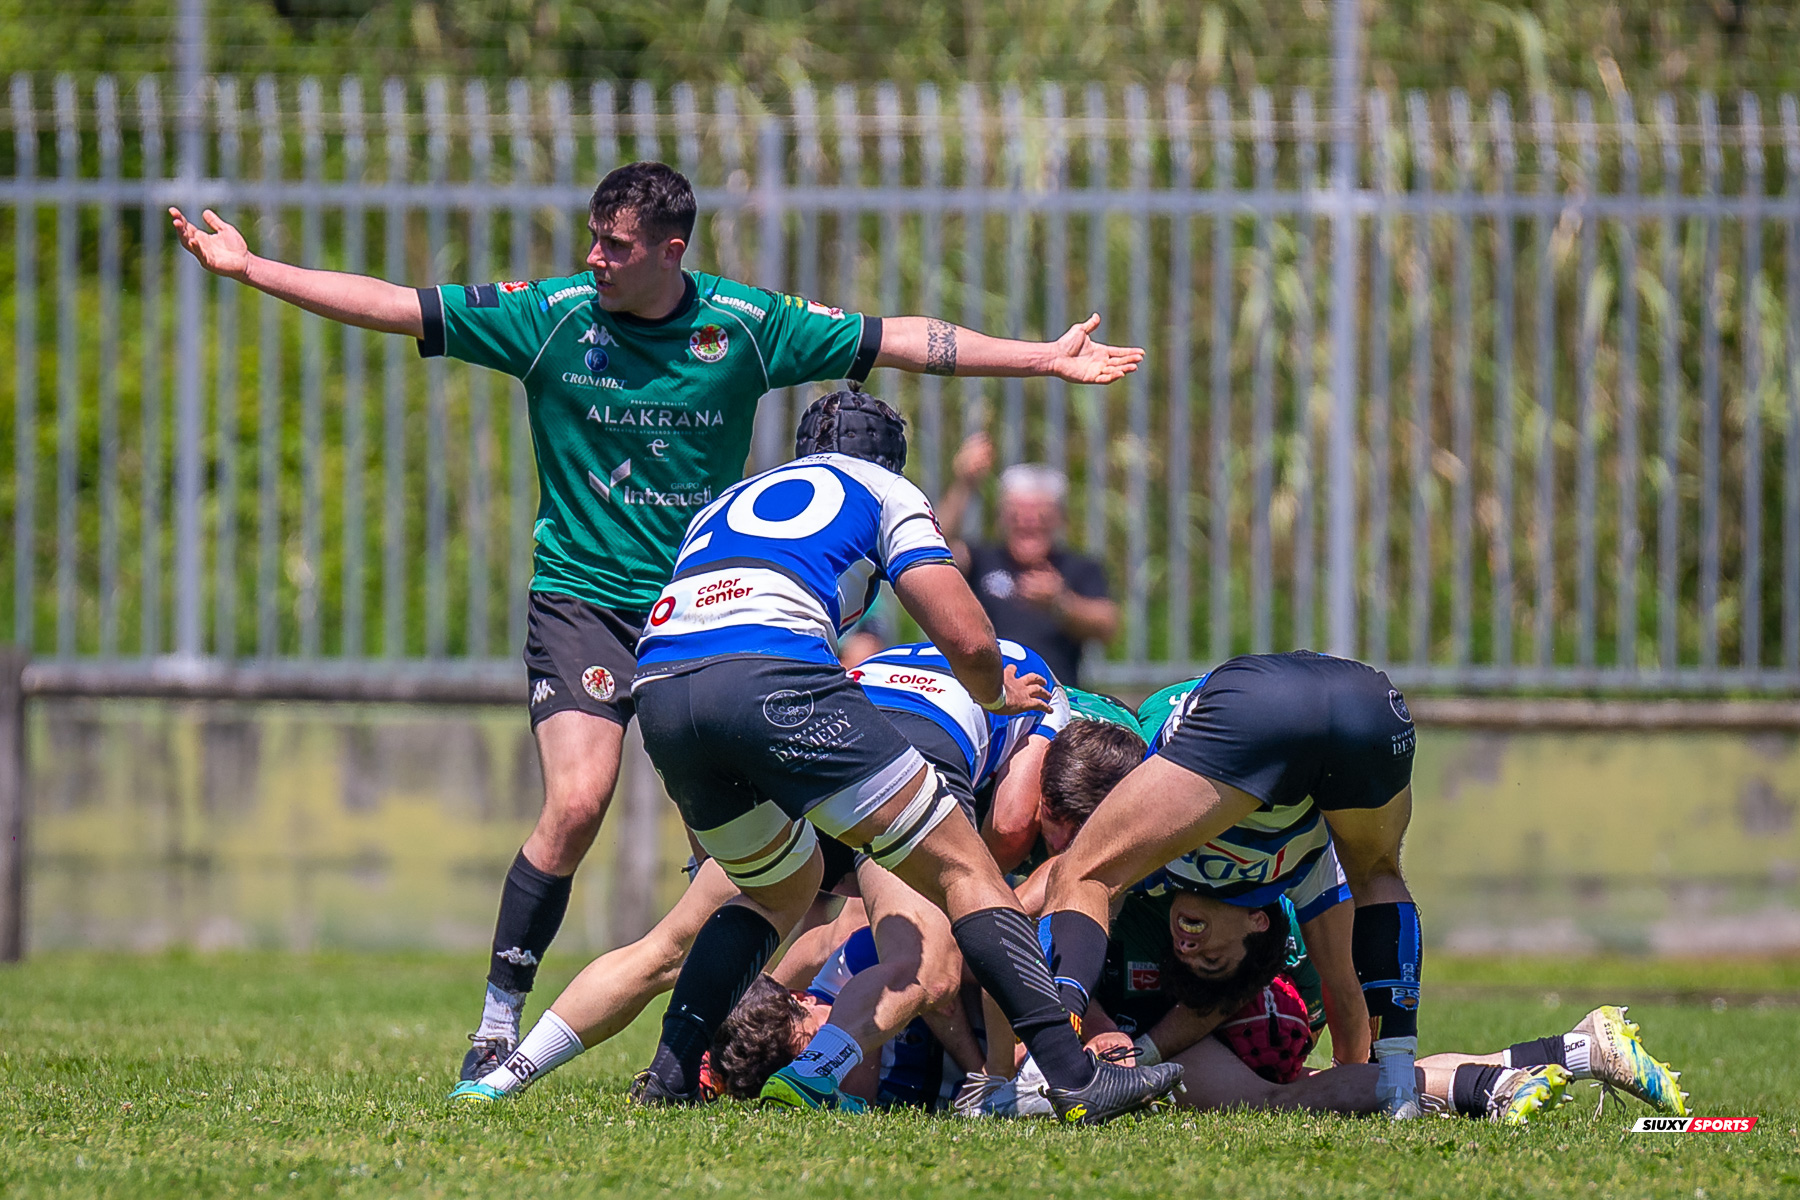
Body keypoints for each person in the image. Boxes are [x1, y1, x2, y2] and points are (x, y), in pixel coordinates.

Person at [169, 161, 1145, 1082]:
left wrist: (1042, 361)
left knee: (755, 871)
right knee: (578, 802)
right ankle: (498, 1018)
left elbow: (898, 340)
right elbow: (398, 305)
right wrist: (252, 269)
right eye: (592, 239)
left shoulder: (746, 326)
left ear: (671, 249)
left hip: (703, 618)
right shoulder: (550, 320)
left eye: (615, 245)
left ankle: (697, 1063)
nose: (593, 258)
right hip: (583, 600)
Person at [623, 390, 1182, 1123]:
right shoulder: (882, 492)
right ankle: (1065, 1078)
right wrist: (994, 691)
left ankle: (573, 1066)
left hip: (666, 689)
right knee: (964, 880)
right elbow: (970, 640)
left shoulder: (730, 500)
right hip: (796, 698)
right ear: (891, 462)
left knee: (753, 908)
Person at [1038, 651, 1430, 1116]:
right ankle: (1398, 1081)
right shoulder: (1306, 866)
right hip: (1371, 699)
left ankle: (1062, 1069)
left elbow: (1057, 885)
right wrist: (1358, 1077)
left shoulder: (1176, 866)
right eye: (1211, 960)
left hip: (1269, 704)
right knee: (1380, 876)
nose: (1186, 945)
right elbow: (1343, 990)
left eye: (1192, 957)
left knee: (1080, 871)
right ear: (1256, 923)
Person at [934, 434, 1117, 687]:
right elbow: (933, 548)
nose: (1028, 522)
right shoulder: (981, 560)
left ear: (1059, 519)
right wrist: (964, 485)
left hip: (1057, 697)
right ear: (1001, 517)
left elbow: (1107, 624)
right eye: (1017, 514)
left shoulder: (1078, 568)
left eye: (1040, 515)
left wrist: (1061, 604)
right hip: (984, 696)